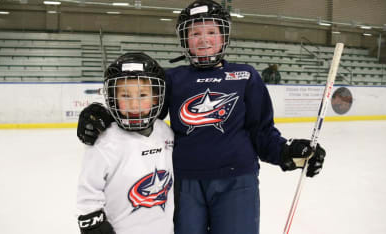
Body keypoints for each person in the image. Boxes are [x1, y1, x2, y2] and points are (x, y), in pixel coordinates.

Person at [76, 1, 326, 234]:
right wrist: (100, 114)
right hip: (186, 185)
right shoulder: (172, 79)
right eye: (195, 33)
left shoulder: (245, 76)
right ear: (185, 39)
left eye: (211, 32)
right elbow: (140, 111)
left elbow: (262, 132)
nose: (203, 39)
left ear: (223, 37)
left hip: (237, 180)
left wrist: (287, 151)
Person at [76, 53, 175, 234]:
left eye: (143, 94)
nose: (134, 104)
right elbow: (88, 191)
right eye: (125, 95)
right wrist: (93, 222)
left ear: (156, 97)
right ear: (113, 99)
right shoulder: (104, 141)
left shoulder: (166, 132)